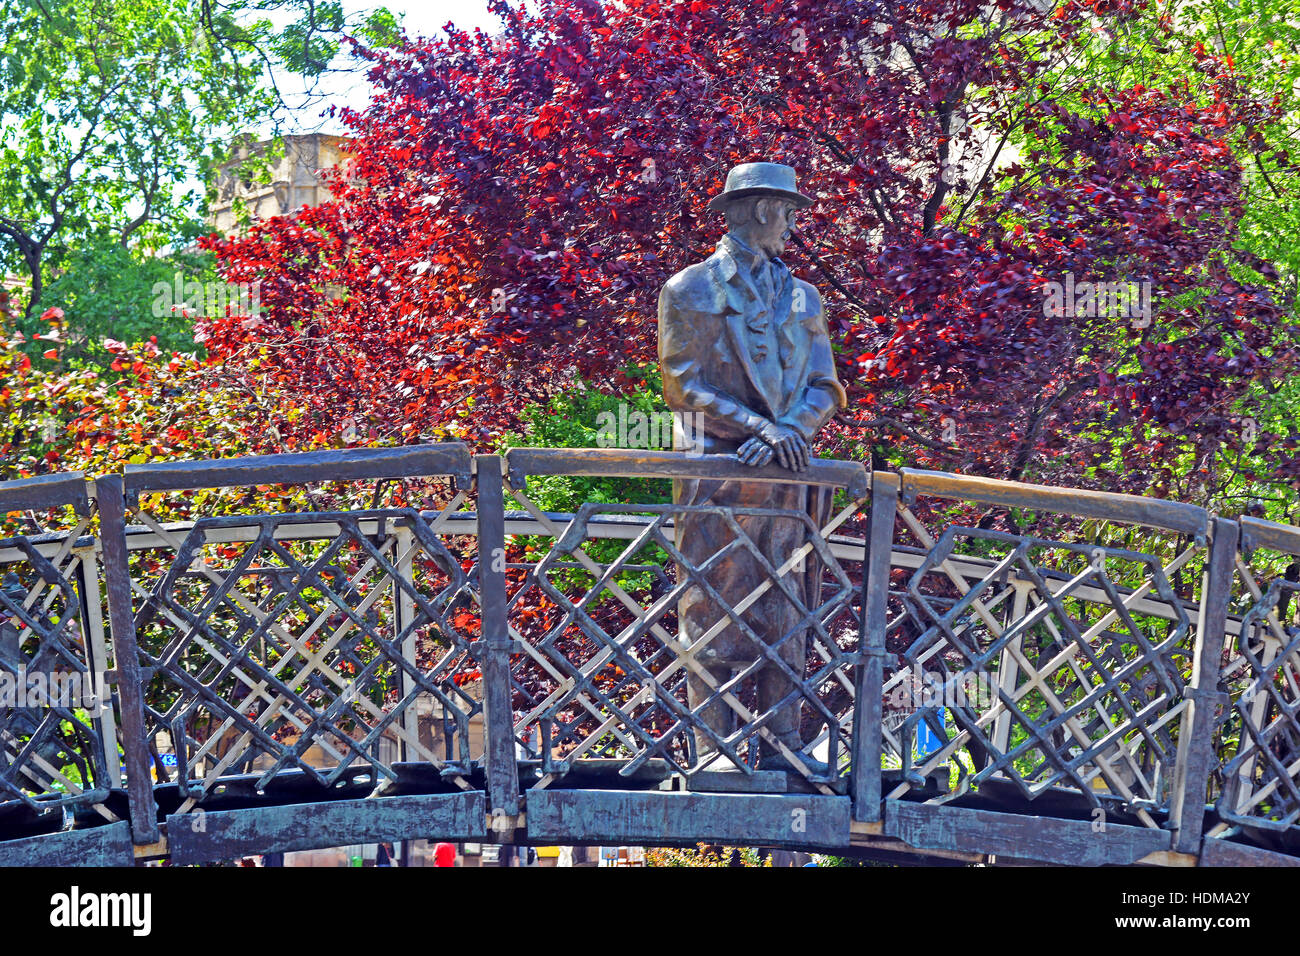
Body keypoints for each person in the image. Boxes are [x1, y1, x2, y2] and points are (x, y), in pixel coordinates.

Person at [658, 162, 847, 774]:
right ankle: (711, 752)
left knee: (786, 611)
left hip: (789, 479)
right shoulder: (690, 289)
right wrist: (758, 427)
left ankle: (783, 746)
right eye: (789, 213)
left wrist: (788, 430)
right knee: (710, 608)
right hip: (720, 473)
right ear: (762, 209)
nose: (793, 227)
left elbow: (824, 385)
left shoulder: (802, 296)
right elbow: (684, 387)